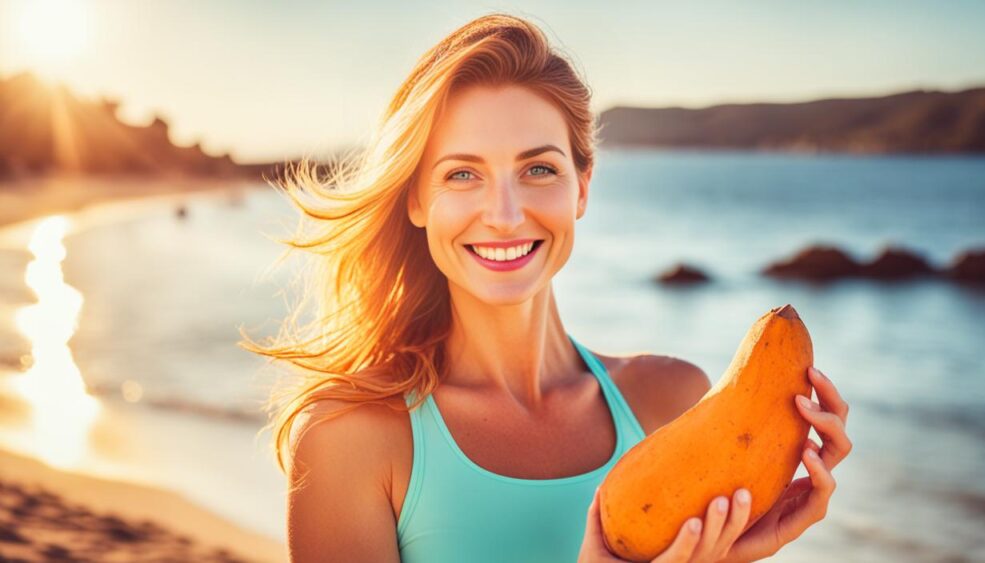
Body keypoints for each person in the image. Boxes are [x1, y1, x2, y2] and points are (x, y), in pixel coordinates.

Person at [242, 12, 852, 563]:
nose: (505, 214)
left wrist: (747, 549)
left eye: (539, 169)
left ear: (582, 186)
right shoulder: (349, 440)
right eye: (462, 174)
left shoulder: (673, 403)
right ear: (417, 199)